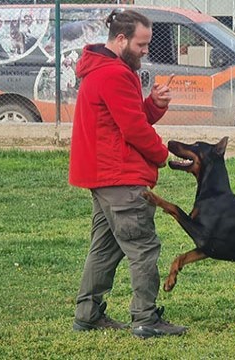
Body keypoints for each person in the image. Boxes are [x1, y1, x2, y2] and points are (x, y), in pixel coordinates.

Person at [68, 9, 187, 339]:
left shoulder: (108, 70)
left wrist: (154, 103)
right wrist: (162, 155)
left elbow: (129, 117)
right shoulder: (114, 74)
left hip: (103, 176)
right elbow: (133, 128)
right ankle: (145, 318)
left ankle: (88, 314)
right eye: (141, 44)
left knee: (105, 248)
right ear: (121, 39)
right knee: (143, 247)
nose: (145, 50)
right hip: (119, 176)